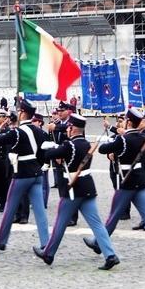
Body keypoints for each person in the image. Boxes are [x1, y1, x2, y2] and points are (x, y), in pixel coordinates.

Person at [34, 114, 120, 270]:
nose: (67, 129)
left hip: (73, 188)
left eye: (68, 127)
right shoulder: (86, 144)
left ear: (72, 128)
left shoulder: (69, 146)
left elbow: (48, 155)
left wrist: (51, 146)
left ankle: (48, 253)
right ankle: (110, 255)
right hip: (87, 187)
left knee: (60, 223)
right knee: (97, 224)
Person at [84, 108, 145, 262]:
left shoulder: (123, 139)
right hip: (140, 179)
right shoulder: (142, 137)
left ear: (129, 122)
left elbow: (103, 149)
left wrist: (116, 139)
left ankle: (98, 243)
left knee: (113, 216)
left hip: (127, 182)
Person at [0, 99, 50, 251]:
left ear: (23, 113)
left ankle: (1, 241)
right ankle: (46, 242)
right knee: (39, 211)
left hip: (22, 174)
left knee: (10, 207)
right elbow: (43, 153)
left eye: (19, 111)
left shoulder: (17, 132)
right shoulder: (39, 131)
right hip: (37, 173)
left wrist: (0, 127)